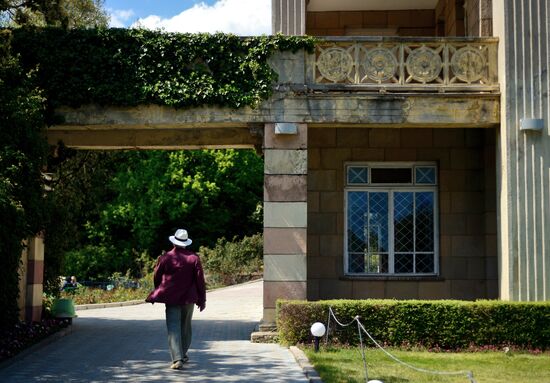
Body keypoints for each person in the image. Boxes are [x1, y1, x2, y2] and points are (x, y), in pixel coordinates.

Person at [146, 229, 206, 370]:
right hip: (188, 299)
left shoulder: (166, 258)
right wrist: (202, 299)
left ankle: (177, 358)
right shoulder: (194, 258)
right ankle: (182, 354)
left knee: (173, 328)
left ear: (173, 242)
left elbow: (156, 276)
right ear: (186, 243)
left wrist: (160, 289)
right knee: (185, 328)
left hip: (171, 298)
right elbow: (200, 281)